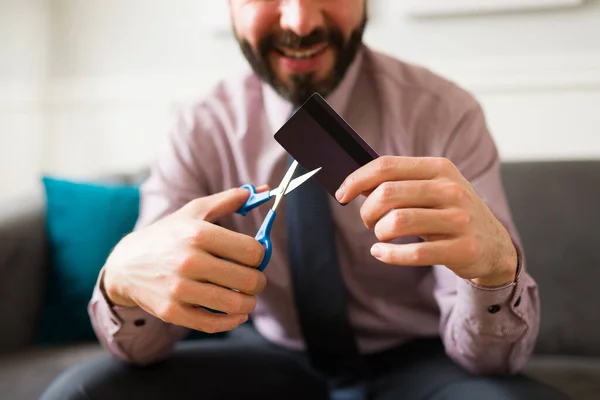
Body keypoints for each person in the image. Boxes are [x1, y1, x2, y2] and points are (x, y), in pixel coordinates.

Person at [42, 1, 568, 399]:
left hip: (421, 360)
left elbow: (494, 362)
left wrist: (496, 271)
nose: (298, 22)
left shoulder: (445, 114)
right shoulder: (200, 128)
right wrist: (122, 282)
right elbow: (143, 348)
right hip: (267, 356)